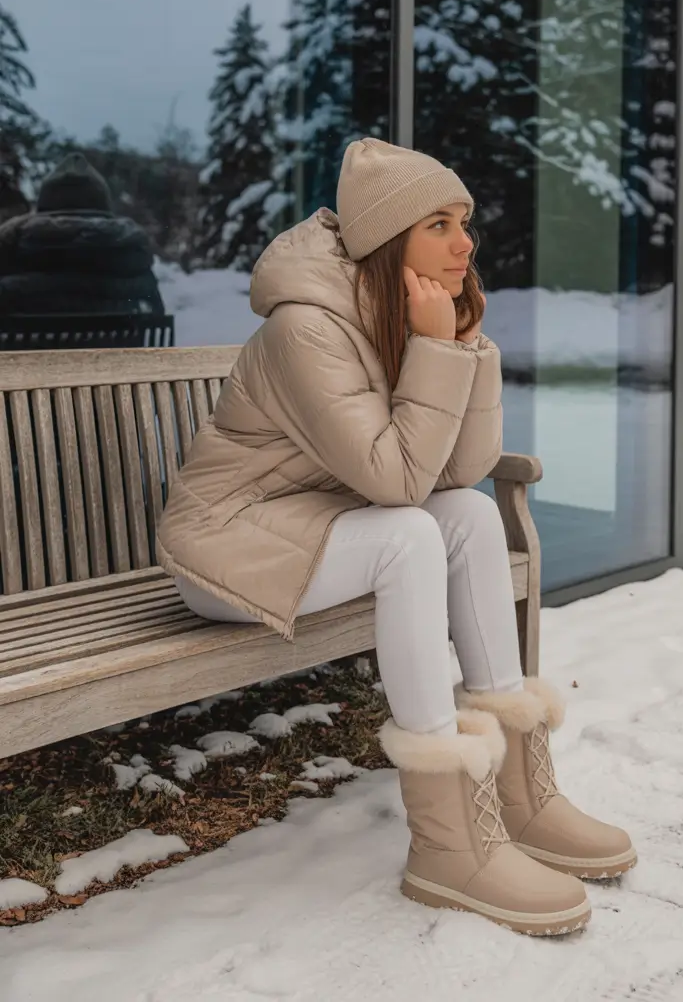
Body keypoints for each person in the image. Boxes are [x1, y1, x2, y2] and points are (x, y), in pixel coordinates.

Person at [157, 138, 636, 936]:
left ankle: (518, 798)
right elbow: (399, 485)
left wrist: (464, 348)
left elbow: (464, 473)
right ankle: (446, 847)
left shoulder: (396, 313)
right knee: (411, 536)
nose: (465, 243)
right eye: (439, 225)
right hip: (227, 548)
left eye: (465, 223)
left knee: (474, 514)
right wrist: (437, 351)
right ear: (388, 242)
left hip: (316, 524)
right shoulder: (304, 331)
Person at [0, 152, 165, 317]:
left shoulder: (12, 241)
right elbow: (157, 311)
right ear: (103, 204)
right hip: (112, 340)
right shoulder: (132, 245)